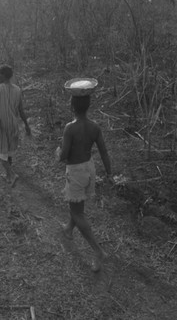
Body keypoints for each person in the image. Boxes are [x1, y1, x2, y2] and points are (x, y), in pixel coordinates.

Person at [56, 94, 113, 272]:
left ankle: (98, 251)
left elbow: (64, 156)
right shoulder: (94, 127)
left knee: (77, 212)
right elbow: (103, 152)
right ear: (88, 106)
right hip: (89, 168)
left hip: (76, 171)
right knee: (77, 204)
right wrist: (110, 173)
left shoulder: (70, 128)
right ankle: (68, 228)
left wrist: (57, 152)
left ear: (72, 106)